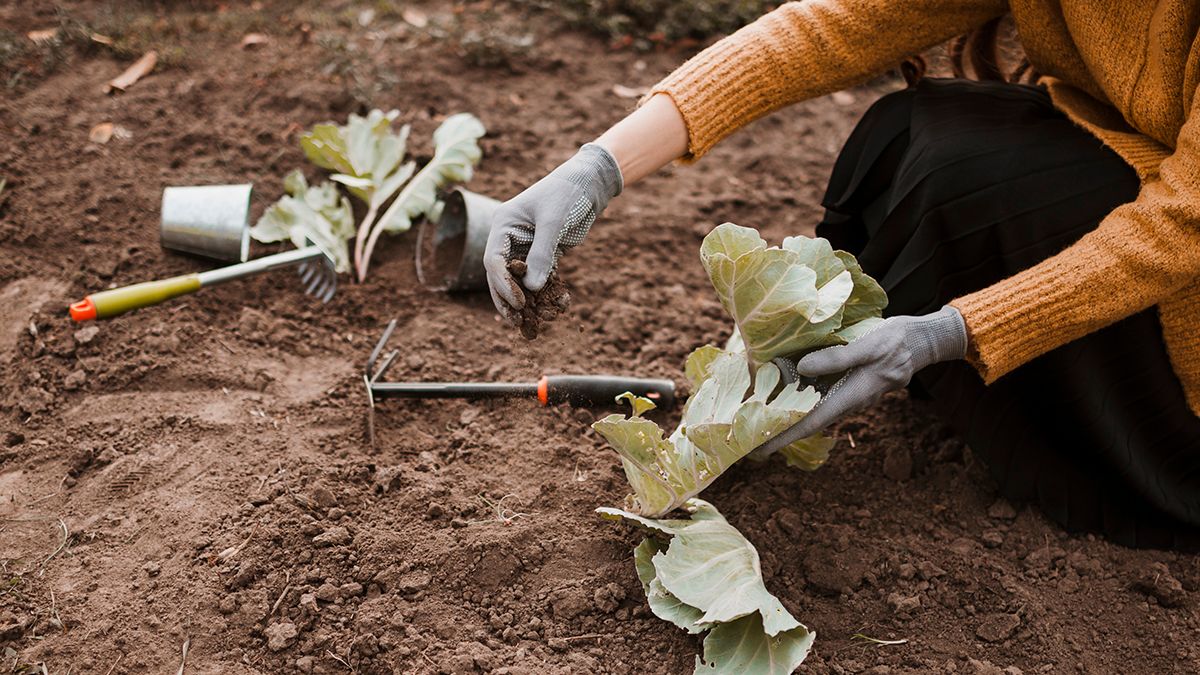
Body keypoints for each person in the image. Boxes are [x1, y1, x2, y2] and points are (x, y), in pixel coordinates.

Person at [483, 1, 1200, 549]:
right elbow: (841, 23)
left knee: (974, 186)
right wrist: (598, 169)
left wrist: (951, 331)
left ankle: (1114, 440)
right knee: (918, 141)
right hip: (1138, 153)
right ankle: (996, 386)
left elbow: (1183, 223)